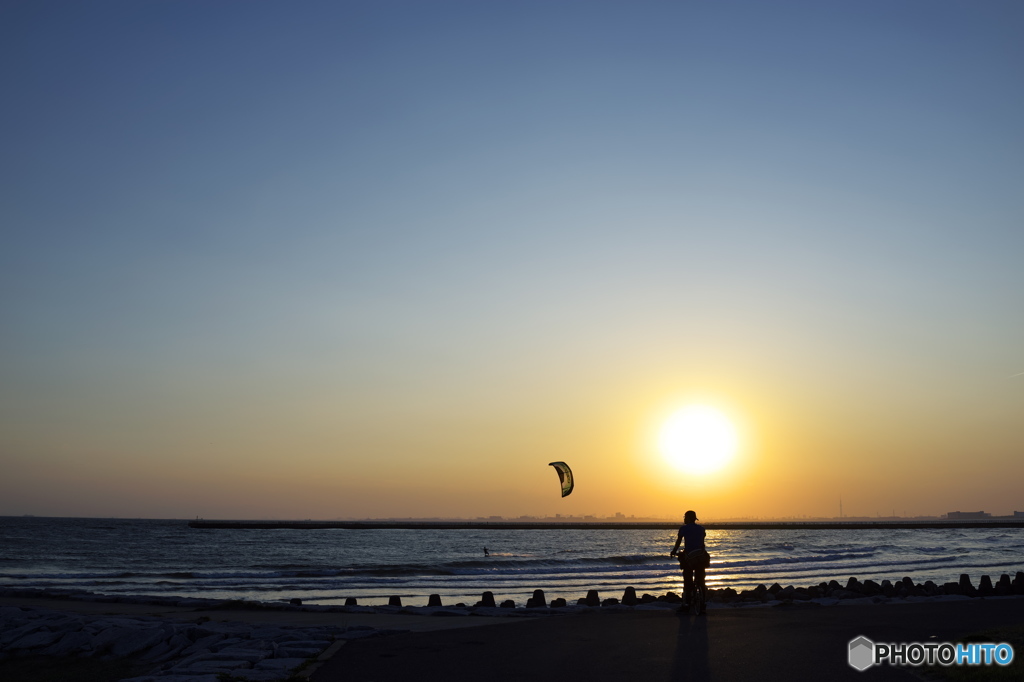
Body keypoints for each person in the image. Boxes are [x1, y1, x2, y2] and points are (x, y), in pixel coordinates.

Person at [670, 510, 709, 614]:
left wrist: (674, 551)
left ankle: (686, 604)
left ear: (688, 518)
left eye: (685, 517)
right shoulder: (701, 529)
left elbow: (678, 542)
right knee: (701, 580)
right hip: (701, 556)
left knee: (687, 580)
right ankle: (703, 603)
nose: (683, 519)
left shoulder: (684, 528)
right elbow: (701, 541)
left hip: (690, 557)